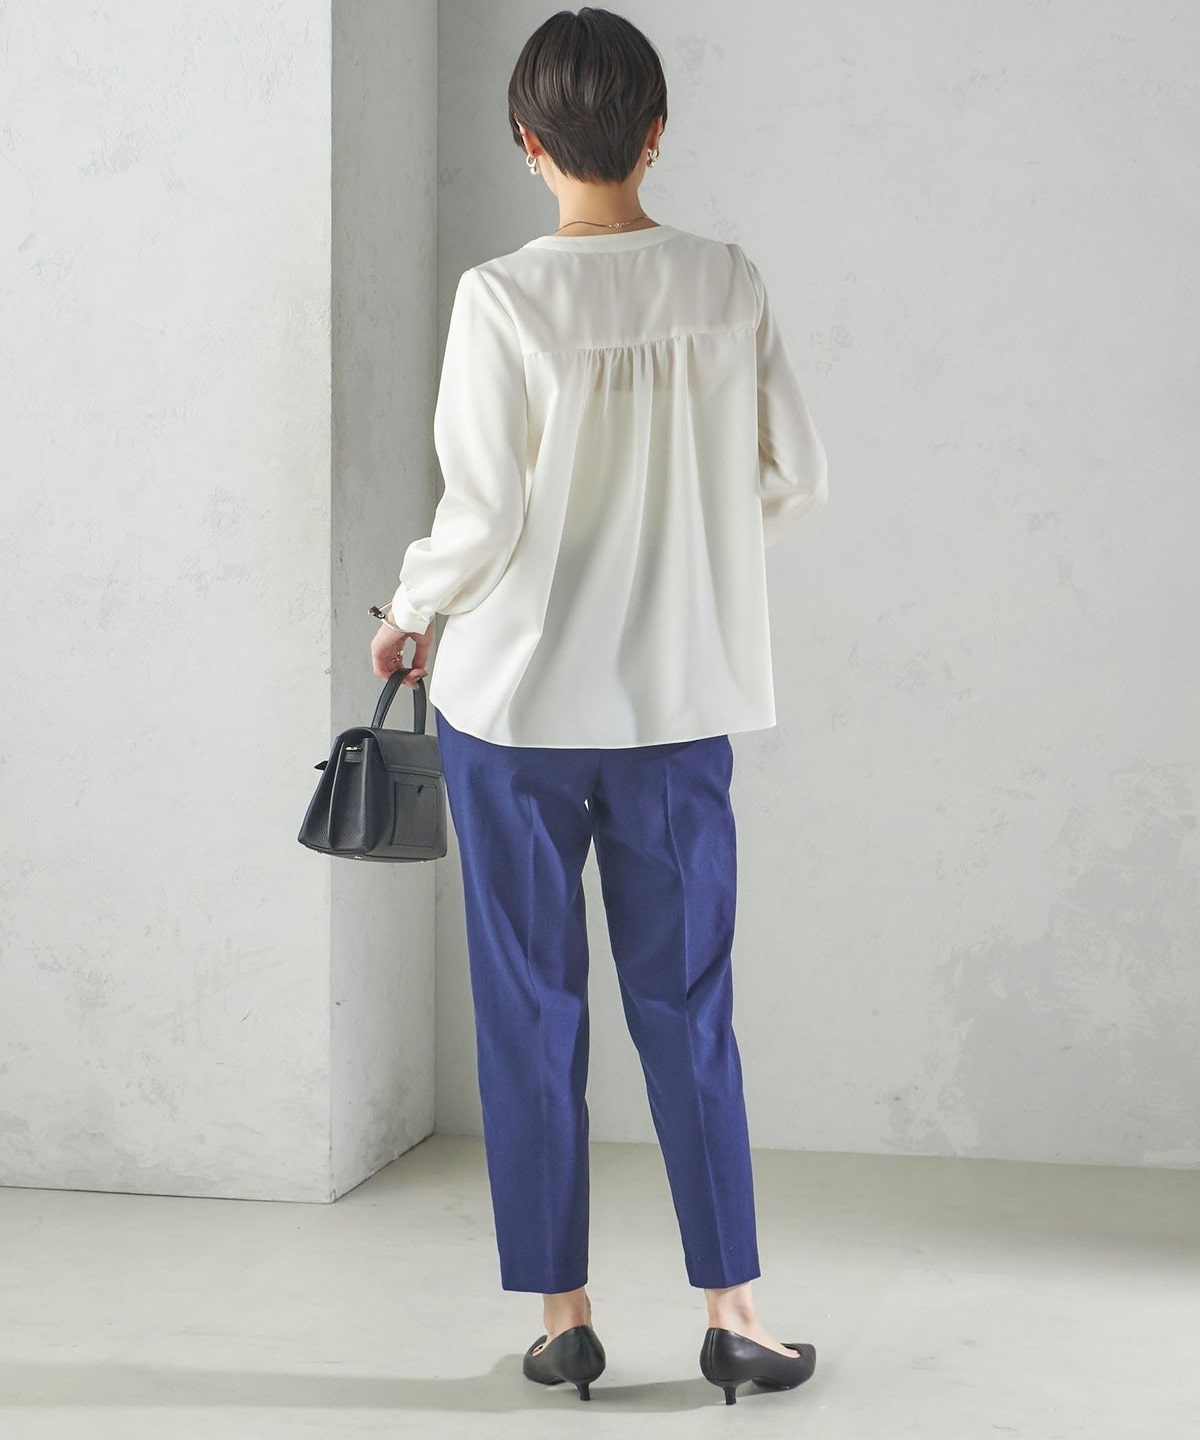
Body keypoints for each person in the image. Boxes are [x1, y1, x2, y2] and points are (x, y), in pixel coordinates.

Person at [368, 6, 827, 1406]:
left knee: (529, 1006)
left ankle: (563, 1318)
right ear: (656, 130)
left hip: (512, 708)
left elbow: (481, 512)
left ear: (526, 142)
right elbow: (796, 475)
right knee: (689, 1007)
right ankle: (734, 1315)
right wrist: (681, 555)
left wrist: (409, 610)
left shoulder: (502, 296)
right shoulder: (725, 279)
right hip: (674, 709)